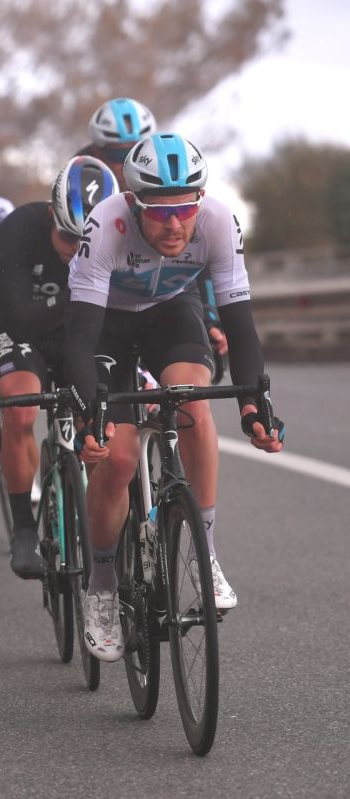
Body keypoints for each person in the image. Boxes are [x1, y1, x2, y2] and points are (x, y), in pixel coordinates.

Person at [64, 133, 284, 662]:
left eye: (185, 209)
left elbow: (241, 327)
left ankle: (206, 554)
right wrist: (90, 412)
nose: (174, 225)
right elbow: (78, 341)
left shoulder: (218, 222)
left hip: (170, 312)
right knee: (117, 458)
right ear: (133, 202)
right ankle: (101, 585)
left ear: (200, 201)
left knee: (193, 406)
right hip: (106, 323)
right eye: (160, 212)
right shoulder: (106, 224)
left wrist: (253, 406)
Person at [0, 155, 119, 578]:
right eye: (67, 237)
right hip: (24, 335)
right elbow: (18, 319)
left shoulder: (123, 232)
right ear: (51, 215)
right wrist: (81, 292)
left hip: (83, 334)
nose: (76, 251)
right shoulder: (15, 230)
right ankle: (24, 527)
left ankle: (109, 533)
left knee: (103, 424)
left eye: (88, 242)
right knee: (19, 406)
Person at [77, 97, 157, 191]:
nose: (130, 165)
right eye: (120, 155)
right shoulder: (78, 187)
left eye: (139, 155)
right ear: (98, 154)